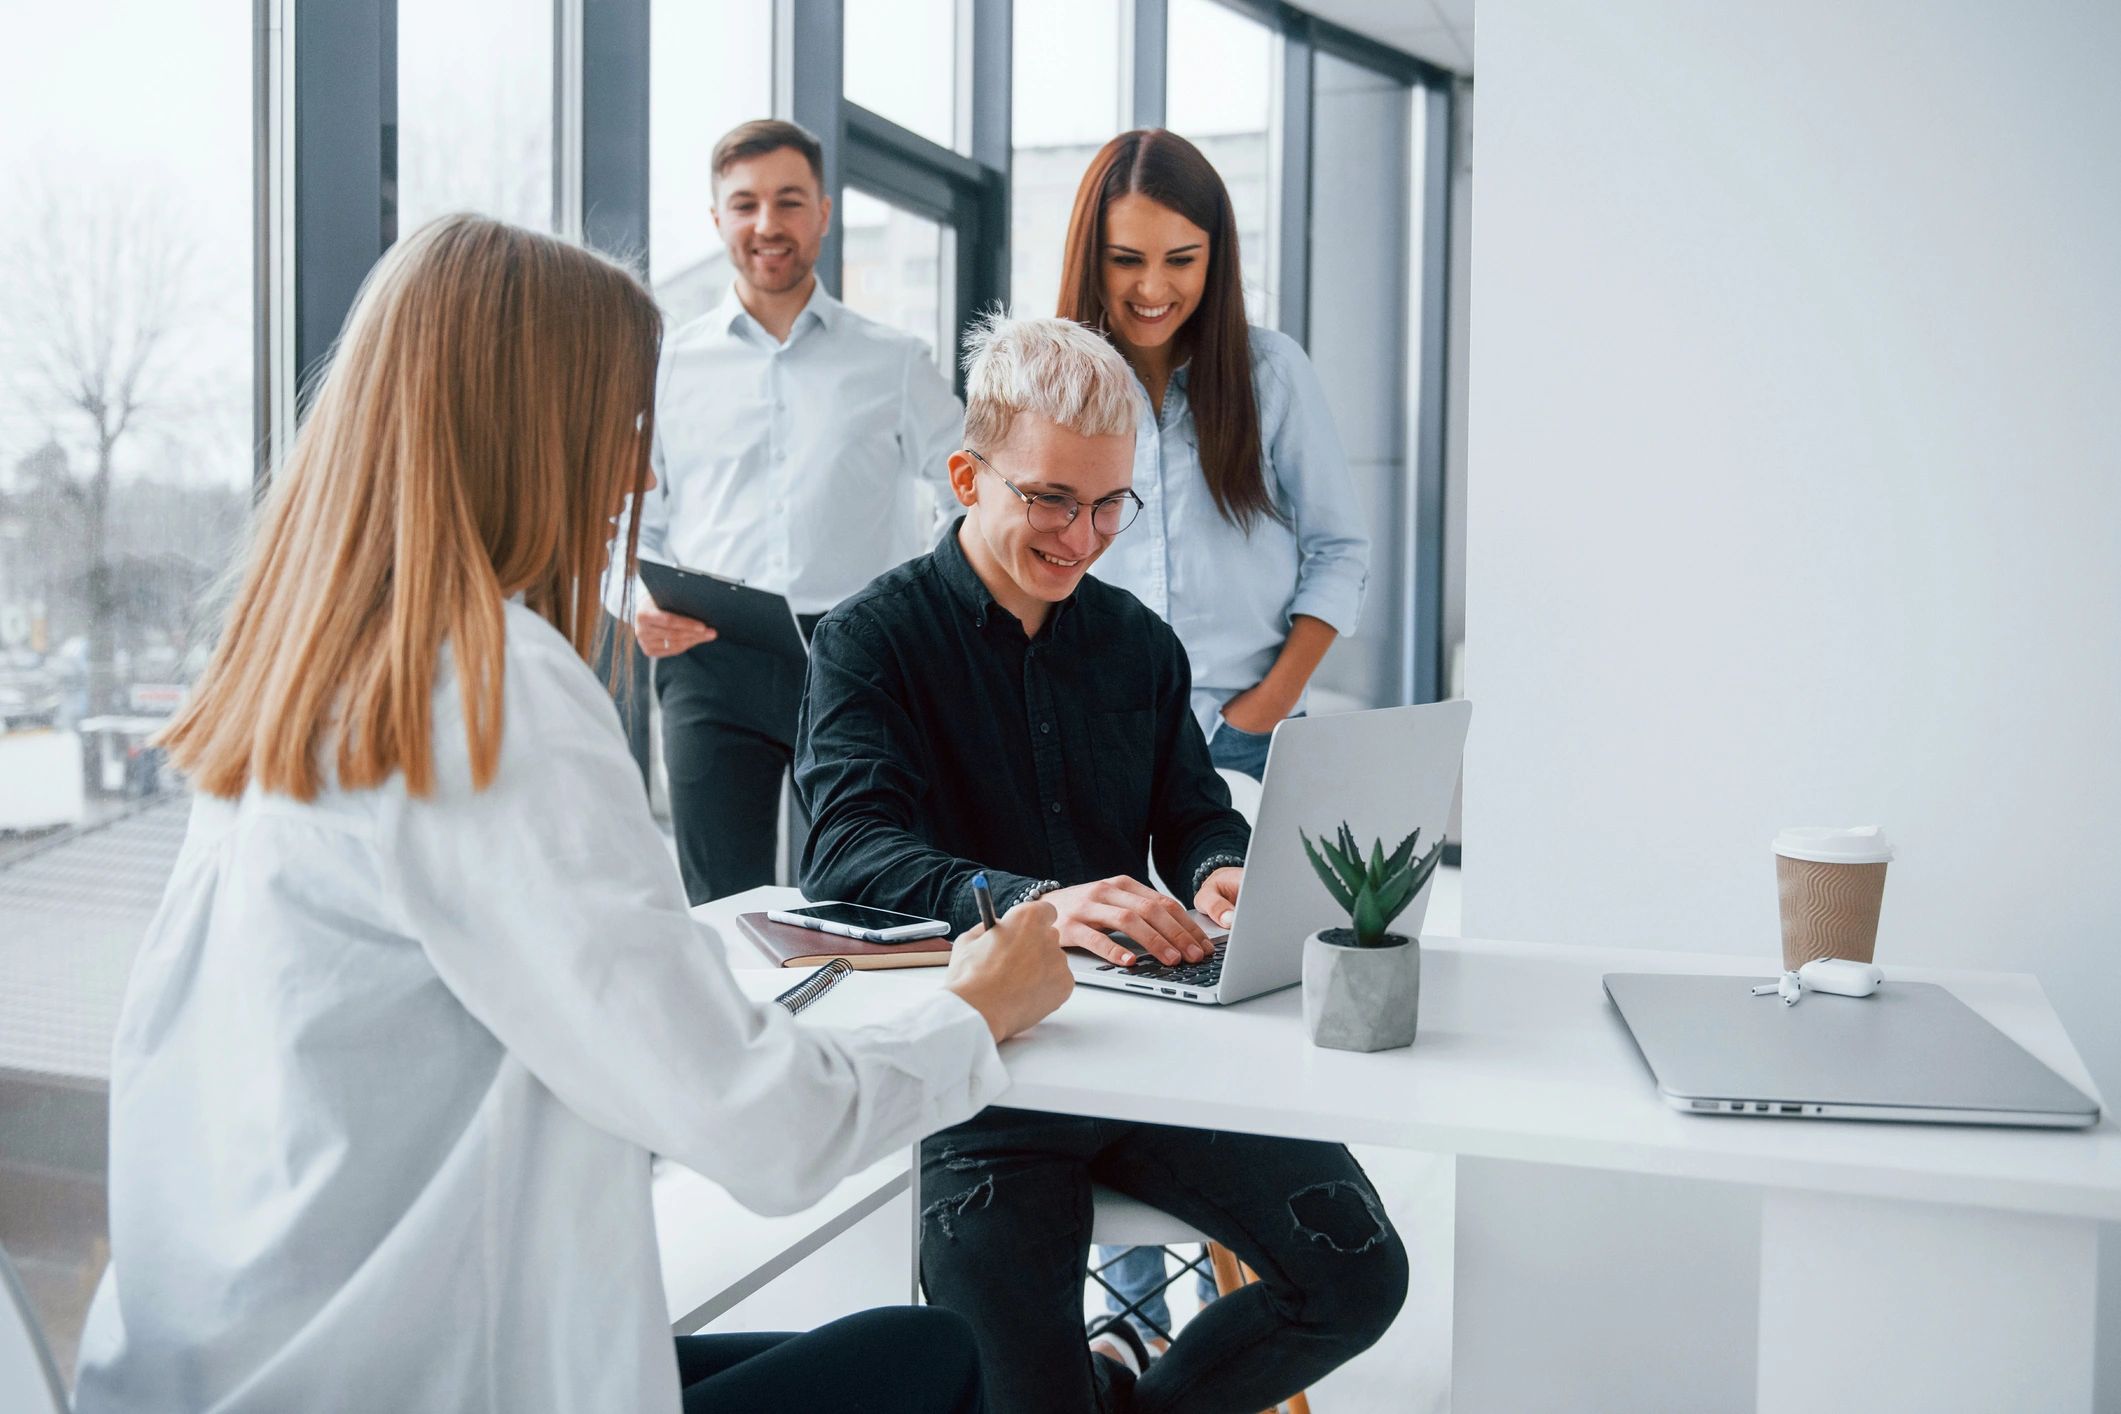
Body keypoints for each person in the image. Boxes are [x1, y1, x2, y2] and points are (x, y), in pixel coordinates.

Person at [71, 215, 1074, 1414]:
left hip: (225, 1368)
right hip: (396, 1380)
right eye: (625, 430)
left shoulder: (301, 672)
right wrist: (975, 1011)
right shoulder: (489, 685)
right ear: (537, 433)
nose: (636, 478)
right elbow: (764, 1132)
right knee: (932, 1356)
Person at [796, 313, 1408, 1414]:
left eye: (1110, 503)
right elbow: (845, 853)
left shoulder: (1138, 643)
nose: (1083, 536)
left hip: (1152, 1051)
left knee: (1360, 1278)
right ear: (964, 474)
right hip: (983, 1074)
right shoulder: (868, 641)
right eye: (1049, 499)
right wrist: (1036, 902)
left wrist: (1223, 867)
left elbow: (1192, 810)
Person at [1056, 128, 1372, 1345]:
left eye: (1182, 259)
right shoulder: (1057, 380)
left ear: (1215, 254)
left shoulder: (1268, 369)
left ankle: (1237, 1284)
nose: (1152, 287)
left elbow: (1337, 551)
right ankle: (1130, 1328)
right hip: (1100, 736)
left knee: (1237, 1004)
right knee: (1122, 1009)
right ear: (1091, 253)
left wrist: (1258, 712)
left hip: (1242, 740)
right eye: (1129, 258)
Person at [617, 118, 965, 903]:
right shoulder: (666, 365)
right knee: (717, 896)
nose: (766, 224)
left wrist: (925, 610)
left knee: (854, 892)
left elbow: (968, 493)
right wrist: (634, 601)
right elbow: (630, 520)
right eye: (743, 205)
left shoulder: (893, 359)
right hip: (710, 654)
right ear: (717, 221)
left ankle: (840, 1030)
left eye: (787, 201)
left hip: (855, 660)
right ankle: (724, 1029)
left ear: (823, 213)